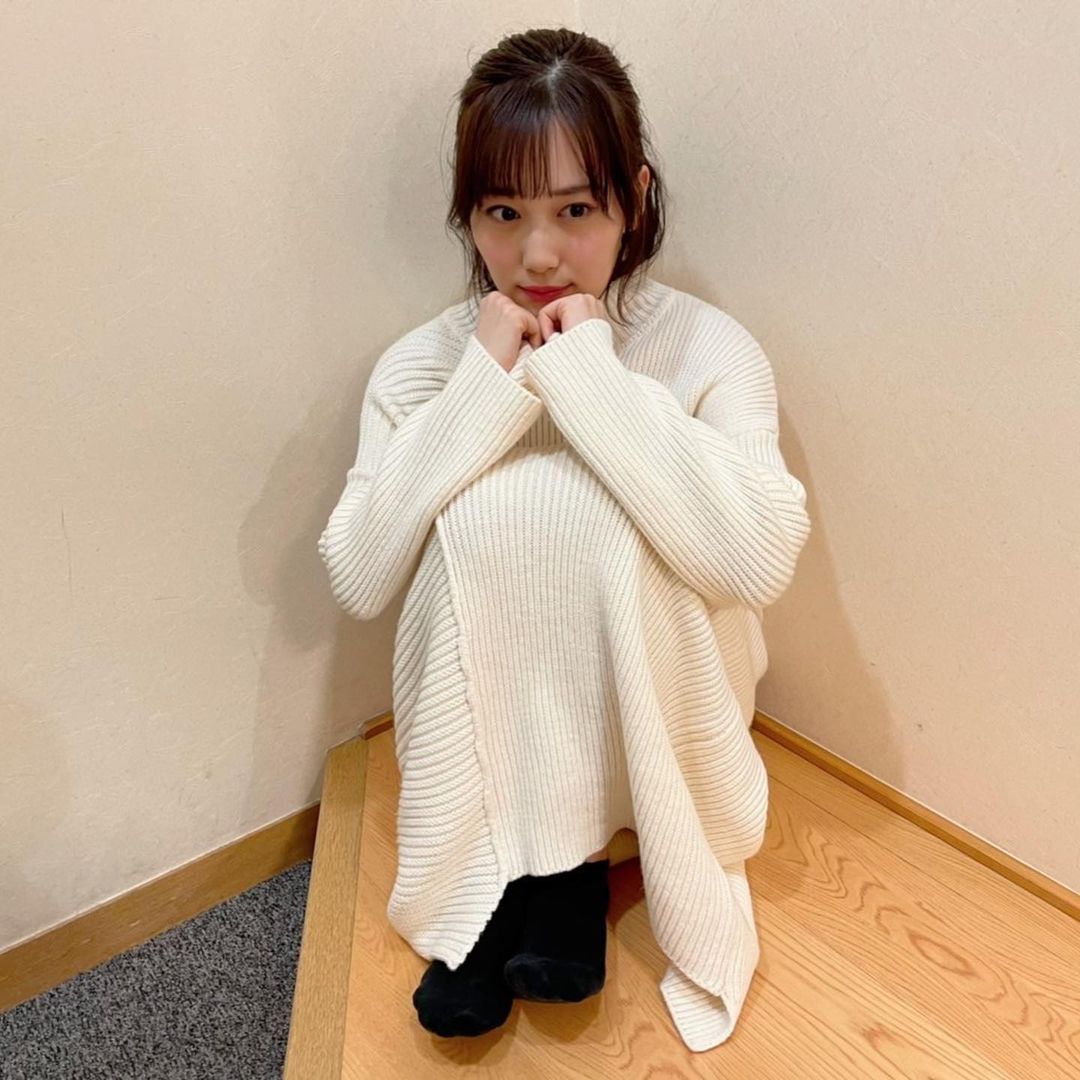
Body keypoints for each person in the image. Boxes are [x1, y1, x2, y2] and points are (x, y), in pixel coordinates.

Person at [318, 27, 811, 1051]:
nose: (538, 255)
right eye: (504, 213)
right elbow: (360, 575)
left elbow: (757, 560)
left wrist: (589, 371)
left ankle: (579, 865)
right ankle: (506, 866)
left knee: (605, 523)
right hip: (486, 749)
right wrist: (481, 385)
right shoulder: (425, 364)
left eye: (576, 210)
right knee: (484, 522)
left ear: (634, 198)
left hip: (649, 734)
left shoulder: (706, 346)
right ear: (468, 214)